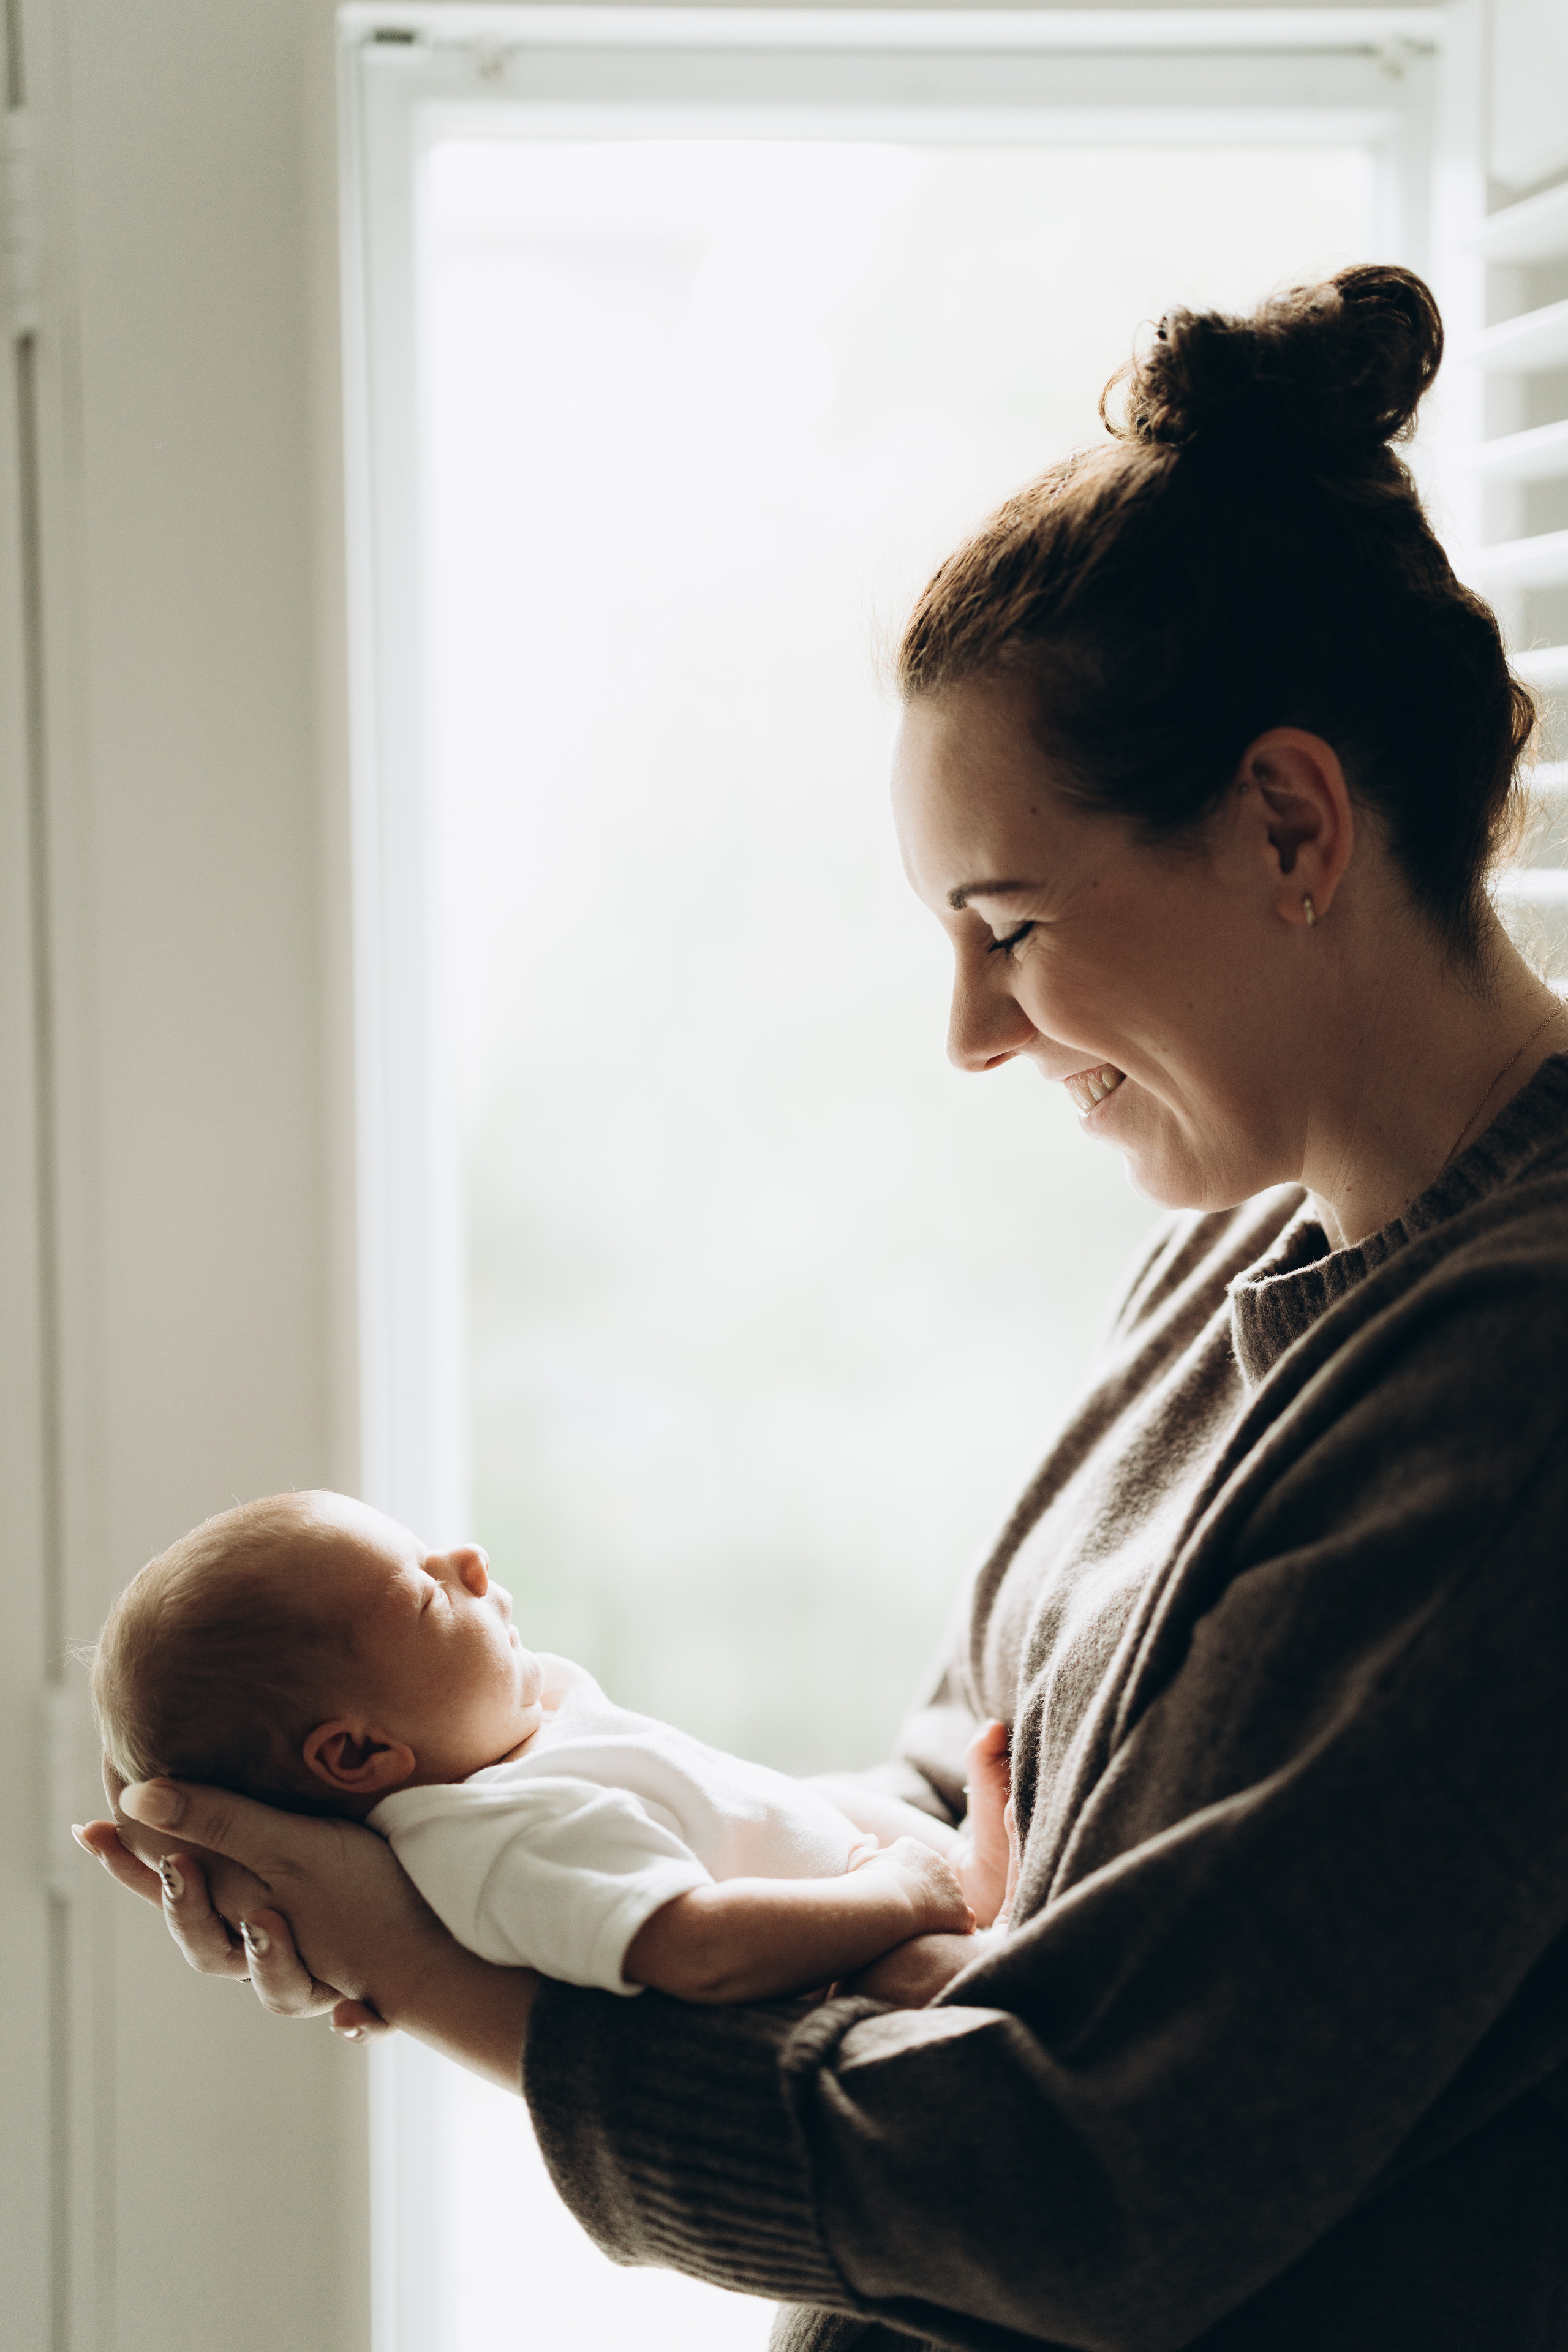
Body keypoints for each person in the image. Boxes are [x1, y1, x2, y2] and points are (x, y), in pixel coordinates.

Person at [81, 262, 1568, 2349]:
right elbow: (962, 1819)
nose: (967, 1030)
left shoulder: (1524, 1382)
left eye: (1009, 925)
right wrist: (496, 1836)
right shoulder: (1236, 1258)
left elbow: (1097, 2183)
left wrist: (463, 1990)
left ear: (1292, 824)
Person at [89, 1488, 1008, 2000]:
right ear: (360, 1758)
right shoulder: (499, 1842)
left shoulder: (516, 1738)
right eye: (422, 1596)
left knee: (801, 1798)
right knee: (952, 1977)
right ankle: (969, 1896)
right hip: (859, 1978)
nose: (468, 1564)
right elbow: (700, 1952)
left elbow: (737, 1806)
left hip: (869, 1887)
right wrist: (895, 1893)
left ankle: (976, 1878)